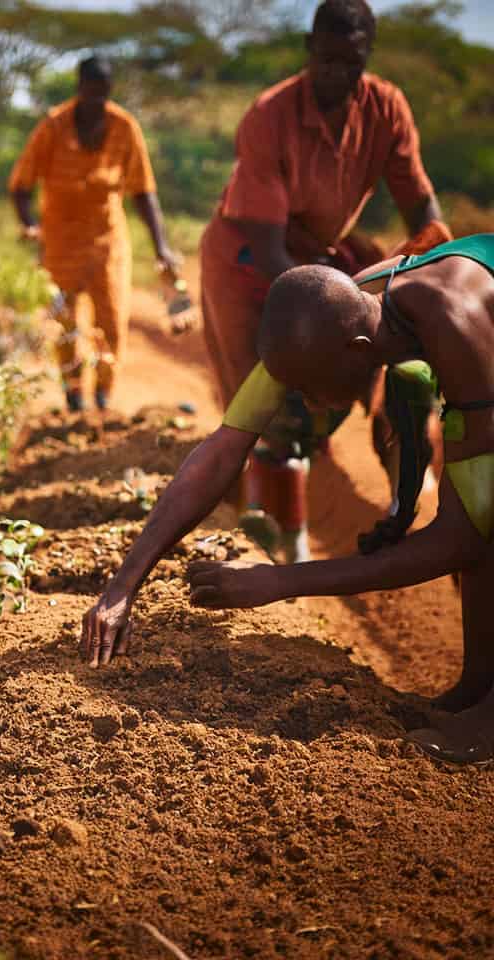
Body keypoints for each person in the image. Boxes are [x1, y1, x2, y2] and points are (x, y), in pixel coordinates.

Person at [81, 234, 494, 766]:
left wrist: (283, 581)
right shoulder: (332, 311)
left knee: (487, 515)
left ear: (359, 354)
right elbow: (224, 449)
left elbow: (461, 538)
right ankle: (477, 687)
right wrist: (122, 585)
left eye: (308, 384)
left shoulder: (459, 332)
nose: (301, 399)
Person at [199, 0, 451, 563]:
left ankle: (403, 500)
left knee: (378, 372)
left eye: (351, 61)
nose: (338, 72)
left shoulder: (386, 108)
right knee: (263, 390)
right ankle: (275, 540)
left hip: (323, 253)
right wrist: (331, 326)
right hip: (246, 261)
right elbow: (269, 250)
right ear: (309, 51)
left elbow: (421, 205)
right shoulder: (269, 116)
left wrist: (442, 270)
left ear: (367, 56)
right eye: (327, 59)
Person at [9, 55, 182, 413]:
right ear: (79, 88)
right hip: (59, 242)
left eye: (102, 93)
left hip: (107, 241)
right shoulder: (53, 127)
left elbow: (143, 191)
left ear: (109, 90)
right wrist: (29, 224)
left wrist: (161, 247)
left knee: (112, 321)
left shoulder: (124, 127)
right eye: (90, 92)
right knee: (64, 322)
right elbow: (20, 185)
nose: (96, 101)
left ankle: (102, 398)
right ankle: (73, 398)